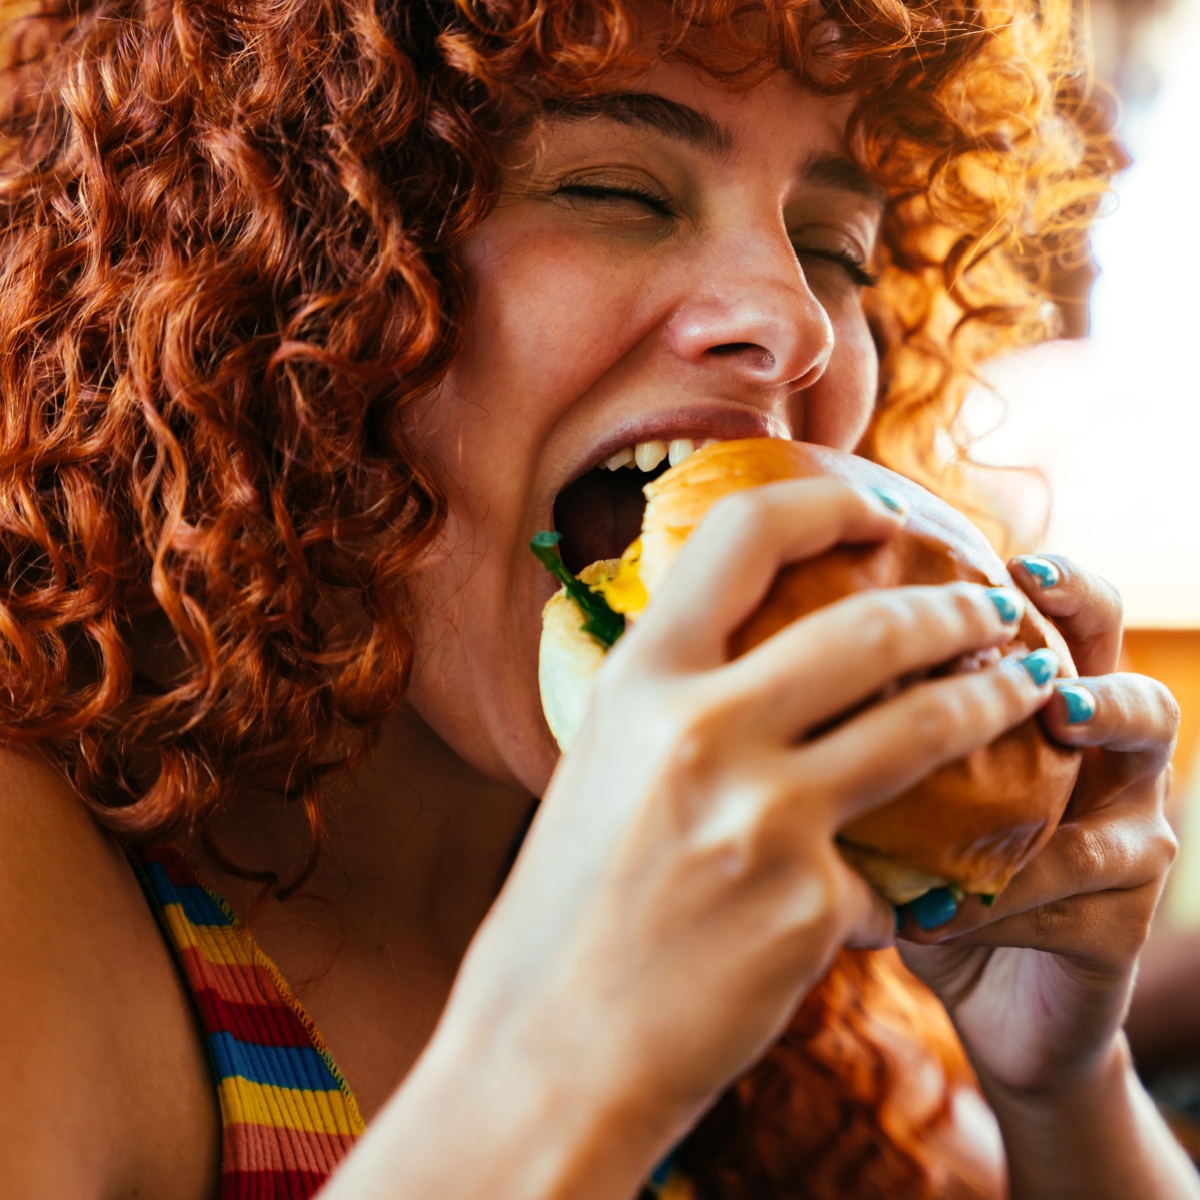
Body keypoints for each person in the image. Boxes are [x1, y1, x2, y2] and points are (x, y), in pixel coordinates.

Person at [0, 0, 1194, 1197]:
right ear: (275, 277)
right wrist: (571, 1061)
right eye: (619, 191)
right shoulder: (41, 886)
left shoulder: (781, 942)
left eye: (836, 249)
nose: (793, 322)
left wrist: (1061, 1089)